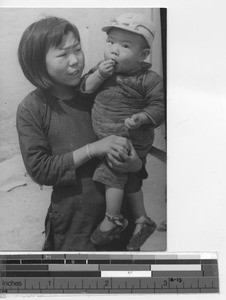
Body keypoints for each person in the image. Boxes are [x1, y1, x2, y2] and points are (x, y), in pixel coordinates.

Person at [16, 16, 146, 251]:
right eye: (63, 54)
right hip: (74, 224)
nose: (75, 60)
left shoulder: (101, 92)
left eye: (77, 49)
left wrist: (135, 164)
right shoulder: (32, 108)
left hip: (118, 217)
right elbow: (40, 169)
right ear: (37, 63)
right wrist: (93, 149)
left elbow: (134, 144)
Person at [80, 13, 165, 250]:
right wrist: (99, 75)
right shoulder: (102, 70)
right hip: (109, 137)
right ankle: (141, 219)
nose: (114, 50)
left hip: (131, 137)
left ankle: (113, 218)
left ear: (143, 55)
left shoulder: (149, 79)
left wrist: (141, 118)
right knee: (131, 178)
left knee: (113, 170)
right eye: (111, 42)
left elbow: (159, 107)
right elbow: (85, 89)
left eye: (124, 46)